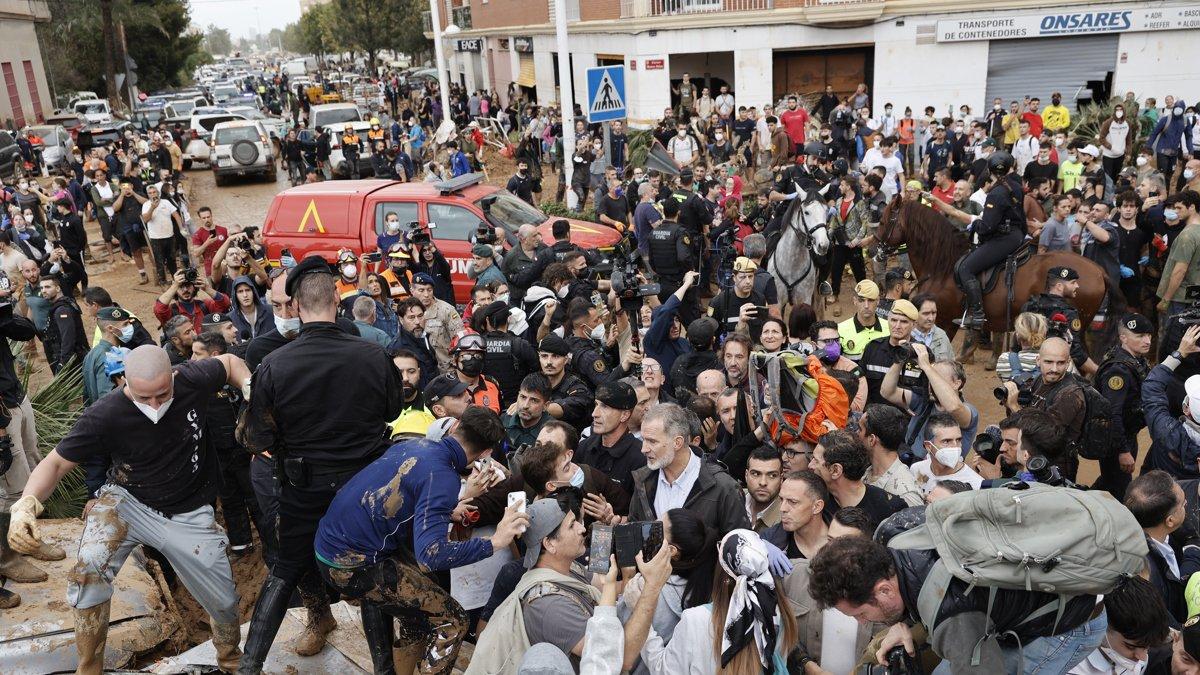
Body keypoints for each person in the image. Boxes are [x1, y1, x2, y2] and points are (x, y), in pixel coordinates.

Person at [7, 345, 251, 672]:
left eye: (163, 395)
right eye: (143, 397)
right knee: (89, 570)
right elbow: (55, 464)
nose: (154, 405)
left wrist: (251, 390)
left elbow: (232, 363)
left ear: (174, 377)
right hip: (127, 500)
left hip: (187, 511)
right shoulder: (105, 414)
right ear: (124, 381)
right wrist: (26, 504)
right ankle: (89, 667)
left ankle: (230, 660)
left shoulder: (193, 378)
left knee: (223, 602)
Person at [236, 257, 405, 673]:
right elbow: (392, 410)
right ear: (337, 299)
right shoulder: (374, 354)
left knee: (285, 570)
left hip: (303, 488)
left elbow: (257, 439)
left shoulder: (275, 364)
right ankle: (383, 668)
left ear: (294, 306)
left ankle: (249, 667)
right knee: (371, 572)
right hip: (364, 487)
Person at [315, 406, 530, 675]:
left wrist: (448, 512)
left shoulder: (417, 444)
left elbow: (402, 495)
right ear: (486, 453)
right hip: (351, 564)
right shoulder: (443, 477)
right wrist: (494, 542)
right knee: (453, 620)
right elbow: (431, 555)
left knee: (418, 612)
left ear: (454, 427)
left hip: (329, 544)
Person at [809, 532, 1106, 674]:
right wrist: (905, 624)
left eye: (861, 613)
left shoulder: (953, 620)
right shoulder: (899, 543)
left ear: (884, 590)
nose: (863, 622)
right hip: (1017, 602)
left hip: (1072, 619)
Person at [468, 497, 671, 674]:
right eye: (573, 524)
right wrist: (652, 588)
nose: (583, 529)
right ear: (549, 543)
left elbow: (604, 586)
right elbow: (620, 659)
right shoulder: (549, 607)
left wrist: (628, 577)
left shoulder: (567, 567)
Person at [637, 529, 801, 674]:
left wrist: (641, 621)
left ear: (722, 574)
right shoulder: (777, 615)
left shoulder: (695, 620)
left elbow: (664, 671)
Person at [629, 403, 749, 536]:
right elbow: (636, 534)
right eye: (644, 440)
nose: (643, 449)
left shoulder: (723, 487)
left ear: (677, 443)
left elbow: (739, 547)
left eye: (652, 441)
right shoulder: (643, 480)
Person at [1125, 470, 1200, 627]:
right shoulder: (1147, 578)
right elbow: (1165, 627)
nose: (1187, 504)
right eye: (1183, 503)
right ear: (1170, 520)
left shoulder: (1148, 530)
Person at [1093, 313, 1153, 499]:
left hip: (1126, 434)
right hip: (1116, 440)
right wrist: (1123, 451)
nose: (1147, 341)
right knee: (1119, 490)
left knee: (1111, 482)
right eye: (1140, 336)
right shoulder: (1118, 370)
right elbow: (1112, 414)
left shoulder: (1135, 360)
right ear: (1123, 338)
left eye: (1149, 335)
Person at [810, 429, 905, 524]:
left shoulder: (889, 510)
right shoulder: (815, 502)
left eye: (816, 460)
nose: (810, 465)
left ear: (836, 470)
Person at [1142, 325, 1200, 480]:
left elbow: (1152, 386)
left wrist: (1180, 353)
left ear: (1186, 409)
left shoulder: (1166, 431)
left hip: (1162, 495)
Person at [1021, 266, 1096, 374]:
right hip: (1053, 371)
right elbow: (1075, 352)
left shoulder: (1029, 306)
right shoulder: (1068, 313)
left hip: (1026, 369)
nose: (1077, 286)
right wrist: (1098, 371)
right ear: (1059, 286)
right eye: (1073, 282)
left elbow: (1018, 341)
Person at [575, 382, 645, 496]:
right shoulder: (583, 448)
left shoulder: (641, 458)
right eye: (596, 405)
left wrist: (611, 514)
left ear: (624, 415)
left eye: (604, 407)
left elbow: (640, 509)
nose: (594, 413)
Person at [859, 404, 923, 507]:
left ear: (872, 440)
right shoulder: (866, 473)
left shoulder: (905, 495)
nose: (856, 433)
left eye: (860, 429)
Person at [907, 411, 984, 492]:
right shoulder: (917, 469)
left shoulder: (976, 485)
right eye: (946, 441)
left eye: (958, 440)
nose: (955, 446)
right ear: (928, 446)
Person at [153, 269, 232, 334]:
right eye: (181, 286)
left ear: (194, 287)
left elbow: (225, 304)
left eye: (188, 285)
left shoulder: (204, 305)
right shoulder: (172, 311)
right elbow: (159, 309)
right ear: (175, 289)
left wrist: (208, 289)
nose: (185, 290)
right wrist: (174, 285)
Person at [40, 275, 87, 374]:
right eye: (42, 287)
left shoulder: (62, 310)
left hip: (72, 363)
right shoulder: (60, 305)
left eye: (48, 287)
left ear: (57, 288)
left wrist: (63, 364)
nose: (43, 290)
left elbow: (68, 339)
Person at [837, 280, 889, 363]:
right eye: (861, 300)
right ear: (855, 301)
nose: (866, 306)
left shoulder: (890, 328)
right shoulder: (840, 330)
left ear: (878, 301)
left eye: (871, 300)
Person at [744, 446, 783, 532]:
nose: (763, 482)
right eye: (756, 474)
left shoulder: (787, 515)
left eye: (772, 475)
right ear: (746, 476)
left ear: (781, 479)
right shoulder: (732, 498)